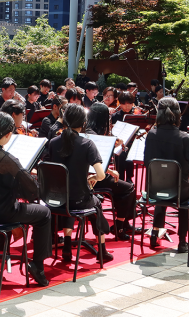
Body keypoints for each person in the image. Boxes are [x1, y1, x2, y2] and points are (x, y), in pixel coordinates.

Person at [0, 113, 51, 286]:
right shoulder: (6, 159)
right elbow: (33, 192)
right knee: (44, 213)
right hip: (2, 212)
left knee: (7, 208)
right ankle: (38, 265)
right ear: (8, 135)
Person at [47, 104, 114, 263]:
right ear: (83, 123)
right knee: (96, 204)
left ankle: (67, 246)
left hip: (57, 200)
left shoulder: (53, 142)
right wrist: (94, 179)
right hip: (78, 199)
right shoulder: (87, 144)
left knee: (71, 200)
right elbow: (101, 174)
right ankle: (102, 250)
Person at [144, 97, 189, 253]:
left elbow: (148, 163)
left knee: (162, 187)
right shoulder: (185, 138)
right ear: (178, 115)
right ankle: (182, 242)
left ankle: (155, 232)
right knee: (182, 198)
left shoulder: (151, 135)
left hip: (155, 189)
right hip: (180, 192)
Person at [85, 103, 136, 241]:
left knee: (122, 189)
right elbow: (95, 162)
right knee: (129, 188)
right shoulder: (93, 134)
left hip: (91, 174)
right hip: (93, 177)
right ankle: (119, 225)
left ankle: (124, 223)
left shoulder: (89, 130)